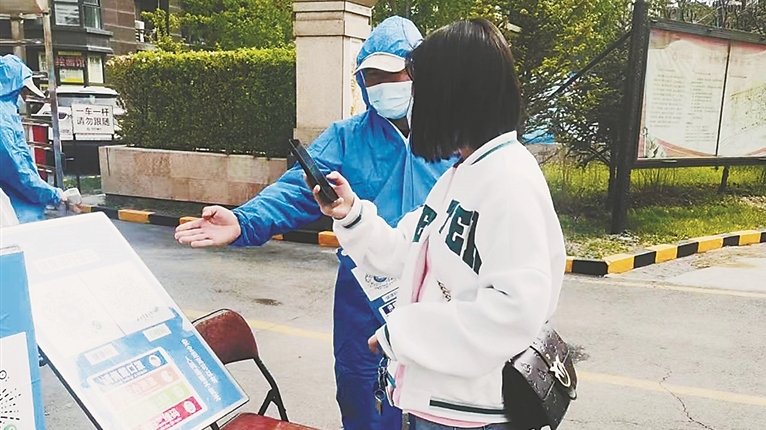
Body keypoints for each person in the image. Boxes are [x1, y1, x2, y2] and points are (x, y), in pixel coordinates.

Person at [174, 16, 456, 429]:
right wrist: (244, 220)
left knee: (437, 399)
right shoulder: (347, 138)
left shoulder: (450, 137)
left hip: (436, 292)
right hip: (365, 296)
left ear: (418, 72)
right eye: (372, 77)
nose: (382, 85)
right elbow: (297, 189)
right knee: (363, 392)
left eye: (392, 73)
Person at [310, 19, 566, 429]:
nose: (414, 103)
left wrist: (404, 334)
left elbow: (514, 311)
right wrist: (351, 213)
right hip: (441, 404)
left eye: (421, 89)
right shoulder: (460, 174)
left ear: (453, 96)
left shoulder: (509, 180)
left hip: (475, 415)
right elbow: (405, 250)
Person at [0, 54, 79, 223]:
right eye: (23, 90)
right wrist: (54, 194)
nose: (24, 97)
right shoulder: (3, 119)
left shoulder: (7, 113)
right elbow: (16, 170)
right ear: (13, 87)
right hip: (10, 212)